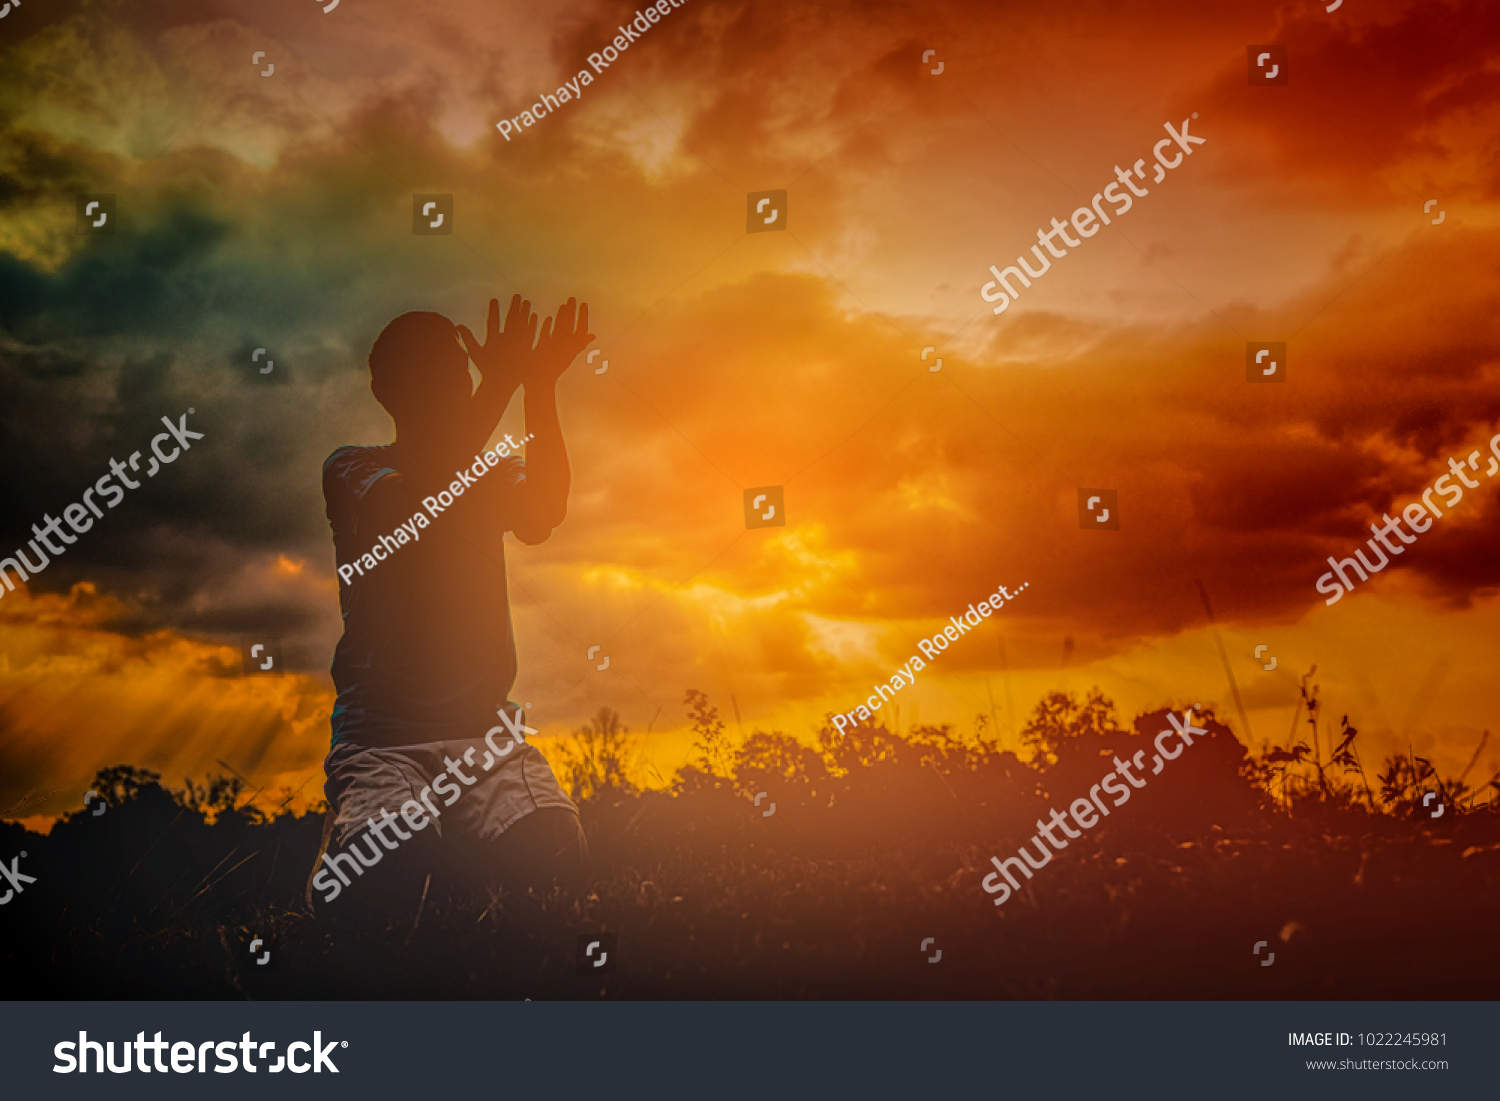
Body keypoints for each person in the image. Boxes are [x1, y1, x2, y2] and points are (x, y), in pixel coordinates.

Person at [306, 295, 594, 923]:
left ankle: (456, 843)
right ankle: (354, 855)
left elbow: (545, 512)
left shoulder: (489, 470)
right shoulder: (355, 471)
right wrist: (503, 381)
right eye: (439, 373)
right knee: (395, 878)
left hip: (485, 734)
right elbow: (425, 500)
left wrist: (539, 385)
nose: (458, 386)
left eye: (460, 373)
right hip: (382, 741)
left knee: (553, 857)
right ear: (390, 392)